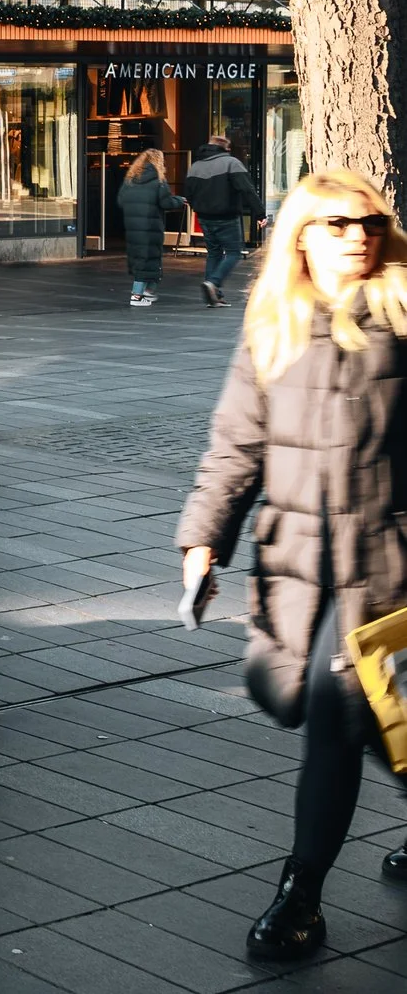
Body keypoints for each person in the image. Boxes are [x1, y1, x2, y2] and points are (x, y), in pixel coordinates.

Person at [177, 170, 407, 961]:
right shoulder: (273, 325)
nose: (358, 237)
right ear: (302, 236)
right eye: (338, 223)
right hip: (304, 565)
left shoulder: (403, 312)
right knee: (371, 714)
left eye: (369, 223)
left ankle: (299, 898)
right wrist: (203, 541)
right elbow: (236, 446)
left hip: (391, 564)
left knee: (341, 716)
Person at [185, 133, 267, 307]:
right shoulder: (231, 163)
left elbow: (189, 194)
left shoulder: (195, 166)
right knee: (233, 253)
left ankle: (213, 297)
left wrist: (198, 208)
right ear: (226, 148)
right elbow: (247, 190)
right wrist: (260, 214)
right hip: (227, 216)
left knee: (214, 253)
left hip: (204, 217)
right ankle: (213, 282)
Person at [116, 147, 184, 307]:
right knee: (147, 259)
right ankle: (137, 296)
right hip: (151, 226)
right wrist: (179, 200)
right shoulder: (159, 182)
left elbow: (121, 201)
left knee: (141, 258)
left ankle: (148, 291)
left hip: (132, 227)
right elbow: (166, 202)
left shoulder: (129, 180)